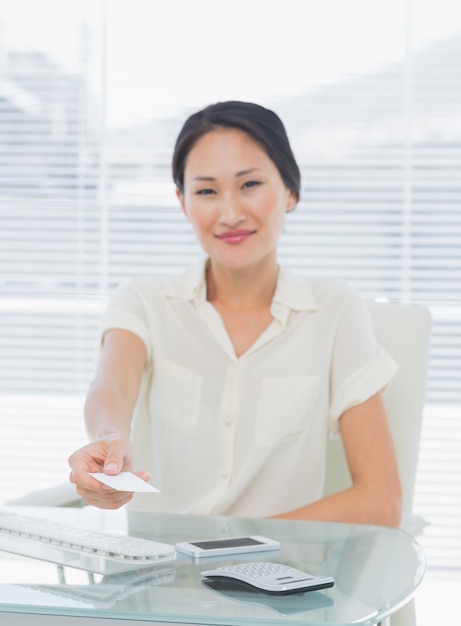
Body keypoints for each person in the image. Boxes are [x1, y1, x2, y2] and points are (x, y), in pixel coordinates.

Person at [68, 101, 402, 526]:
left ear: (291, 191)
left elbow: (381, 501)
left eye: (249, 185)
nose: (230, 213)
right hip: (156, 580)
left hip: (277, 578)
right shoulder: (145, 300)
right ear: (183, 202)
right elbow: (112, 386)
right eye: (206, 191)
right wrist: (110, 441)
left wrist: (232, 545)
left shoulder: (335, 310)